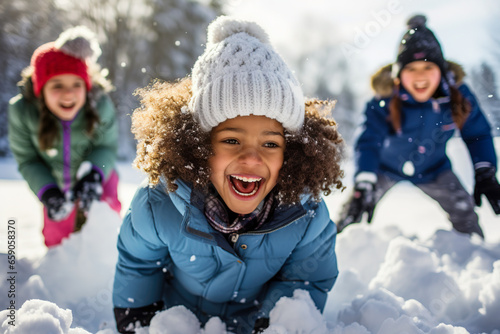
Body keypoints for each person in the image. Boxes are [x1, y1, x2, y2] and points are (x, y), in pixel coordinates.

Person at [112, 16, 344, 334]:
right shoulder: (158, 203)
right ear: (197, 145)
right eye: (231, 140)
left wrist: (273, 324)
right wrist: (137, 318)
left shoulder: (307, 215)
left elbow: (304, 279)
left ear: (290, 154)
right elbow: (139, 264)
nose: (251, 156)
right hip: (180, 321)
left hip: (253, 321)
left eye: (270, 143)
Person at [337, 15, 500, 237]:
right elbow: (368, 140)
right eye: (411, 69)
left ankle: (474, 255)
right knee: (354, 210)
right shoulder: (384, 99)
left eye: (428, 67)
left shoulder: (457, 96)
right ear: (399, 74)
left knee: (465, 212)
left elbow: (477, 133)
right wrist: (365, 180)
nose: (420, 76)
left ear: (441, 70)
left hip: (435, 169)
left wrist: (485, 171)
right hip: (386, 168)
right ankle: (335, 247)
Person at [8, 26, 122, 247]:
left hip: (99, 175)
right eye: (57, 85)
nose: (68, 93)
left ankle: (106, 260)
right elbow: (28, 159)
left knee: (103, 222)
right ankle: (60, 270)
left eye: (76, 85)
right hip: (55, 182)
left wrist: (94, 175)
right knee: (56, 237)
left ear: (86, 87)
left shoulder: (100, 105)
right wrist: (47, 191)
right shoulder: (22, 111)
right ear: (41, 89)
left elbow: (106, 146)